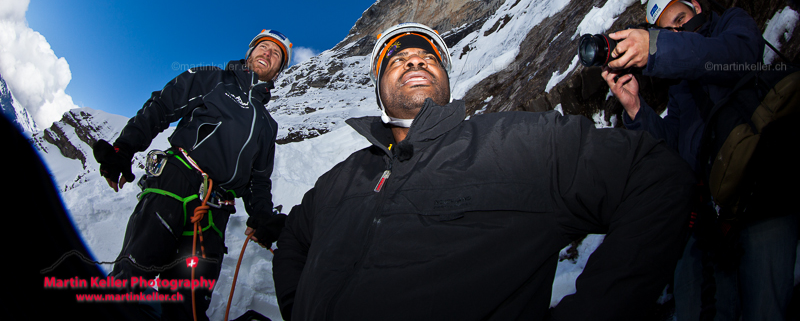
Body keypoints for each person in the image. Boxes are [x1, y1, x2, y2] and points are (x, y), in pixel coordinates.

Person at [272, 22, 694, 320]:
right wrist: (300, 307)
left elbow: (653, 171)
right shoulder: (341, 179)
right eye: (397, 60)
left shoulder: (514, 144)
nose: (415, 62)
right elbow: (294, 238)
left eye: (427, 58)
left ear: (447, 81)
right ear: (379, 89)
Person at [601, 0, 798, 320]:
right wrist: (635, 108)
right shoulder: (679, 88)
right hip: (710, 215)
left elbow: (738, 54)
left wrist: (661, 49)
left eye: (680, 18)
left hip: (762, 190)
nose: (678, 30)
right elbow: (673, 153)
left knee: (765, 309)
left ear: (697, 7)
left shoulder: (730, 26)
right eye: (668, 30)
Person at [94, 29, 293, 321]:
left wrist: (261, 215)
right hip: (175, 180)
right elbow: (162, 106)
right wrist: (124, 148)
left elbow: (258, 179)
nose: (267, 53)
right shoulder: (212, 79)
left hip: (216, 208)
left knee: (190, 303)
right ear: (249, 53)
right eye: (263, 47)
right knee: (133, 274)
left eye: (276, 54)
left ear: (278, 71)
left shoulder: (267, 124)